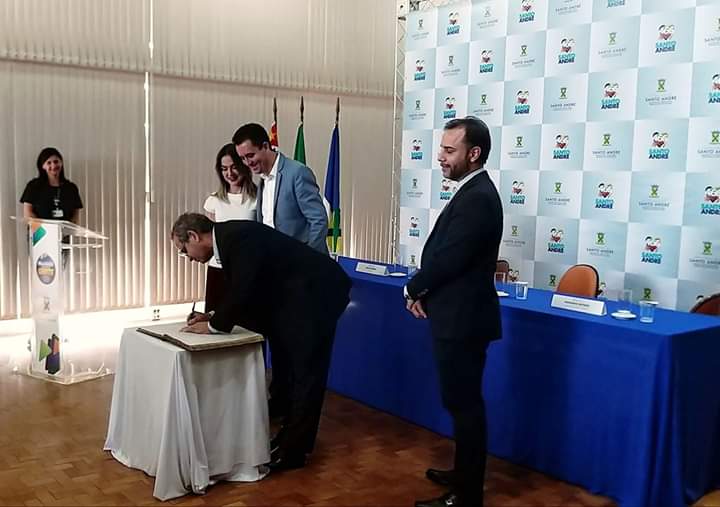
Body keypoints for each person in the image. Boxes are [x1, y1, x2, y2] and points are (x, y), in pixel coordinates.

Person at [171, 213, 351, 471]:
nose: (188, 257)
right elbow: (250, 289)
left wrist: (213, 327)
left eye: (184, 250)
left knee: (306, 375)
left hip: (318, 295)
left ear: (193, 236)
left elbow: (244, 289)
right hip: (298, 299)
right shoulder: (230, 238)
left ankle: (294, 452)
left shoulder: (237, 238)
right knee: (292, 373)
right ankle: (288, 439)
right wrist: (212, 315)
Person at [404, 117, 503, 507]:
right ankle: (463, 474)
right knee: (460, 403)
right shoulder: (472, 191)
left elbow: (451, 259)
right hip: (455, 316)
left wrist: (414, 287)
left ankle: (467, 494)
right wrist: (426, 292)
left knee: (466, 406)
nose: (440, 157)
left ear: (473, 153)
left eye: (449, 150)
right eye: (441, 149)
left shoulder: (478, 197)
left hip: (464, 321)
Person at [232, 122, 329, 423]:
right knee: (279, 343)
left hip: (300, 279)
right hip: (275, 279)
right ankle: (280, 401)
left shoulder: (297, 173)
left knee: (298, 349)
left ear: (266, 145)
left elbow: (318, 221)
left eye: (251, 156)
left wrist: (305, 264)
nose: (248, 163)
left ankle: (296, 414)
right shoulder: (263, 181)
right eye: (243, 159)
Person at [202, 143, 257, 313]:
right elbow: (211, 239)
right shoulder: (214, 201)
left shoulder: (258, 199)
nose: (229, 173)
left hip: (247, 272)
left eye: (234, 167)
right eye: (224, 169)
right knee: (214, 319)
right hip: (219, 270)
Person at [20, 147, 83, 224]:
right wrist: (43, 230)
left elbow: (75, 216)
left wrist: (67, 230)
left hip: (64, 231)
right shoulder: (33, 186)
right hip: (39, 231)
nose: (53, 166)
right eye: (49, 163)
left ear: (61, 163)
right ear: (43, 166)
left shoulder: (71, 188)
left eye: (56, 162)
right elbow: (28, 214)